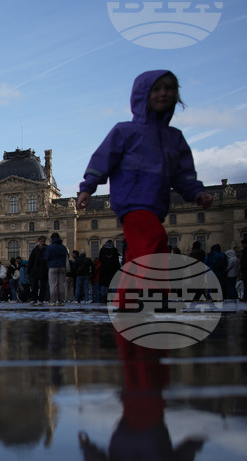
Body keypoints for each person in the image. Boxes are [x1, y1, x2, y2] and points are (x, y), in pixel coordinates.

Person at [77, 70, 213, 263]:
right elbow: (102, 158)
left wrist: (197, 193)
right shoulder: (125, 131)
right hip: (131, 202)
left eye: (169, 88)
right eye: (156, 89)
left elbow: (184, 173)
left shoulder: (175, 137)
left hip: (157, 205)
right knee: (156, 242)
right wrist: (88, 187)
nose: (163, 93)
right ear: (142, 95)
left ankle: (129, 293)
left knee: (136, 257)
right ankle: (156, 290)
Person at [44, 232, 70, 306]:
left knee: (53, 285)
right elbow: (67, 256)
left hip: (52, 267)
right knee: (62, 284)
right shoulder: (63, 247)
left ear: (52, 238)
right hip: (62, 267)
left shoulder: (50, 247)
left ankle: (53, 300)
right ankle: (61, 300)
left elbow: (46, 257)